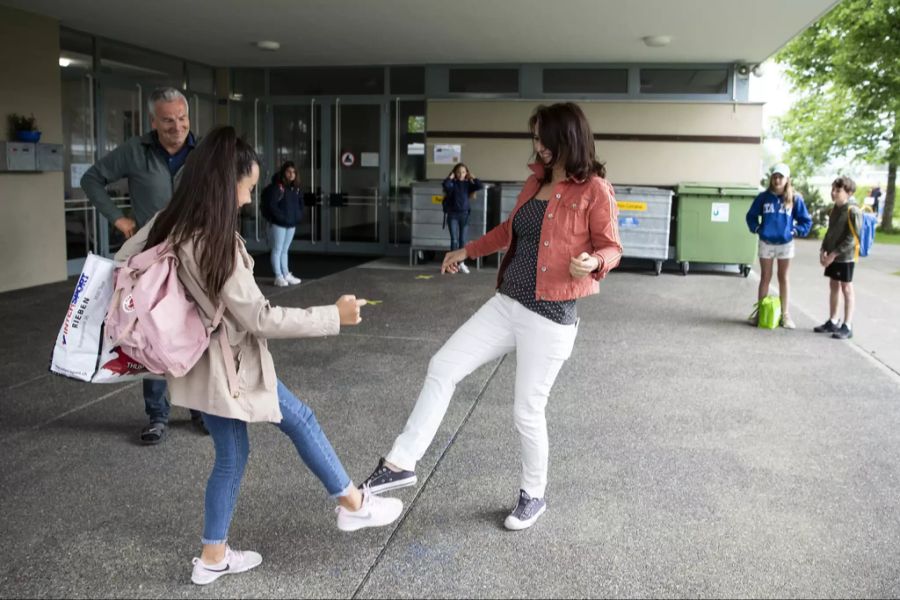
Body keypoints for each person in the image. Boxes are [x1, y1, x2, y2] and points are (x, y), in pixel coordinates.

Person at [115, 126, 403, 586]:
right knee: (299, 420)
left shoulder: (169, 221)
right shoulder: (216, 242)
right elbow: (261, 318)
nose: (249, 199)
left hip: (198, 365)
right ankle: (354, 505)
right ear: (224, 182)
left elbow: (125, 260)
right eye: (247, 187)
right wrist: (335, 315)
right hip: (230, 365)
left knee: (233, 455)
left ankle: (213, 556)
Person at [361, 103, 623, 531]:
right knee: (442, 366)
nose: (537, 147)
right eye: (534, 138)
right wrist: (466, 250)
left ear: (566, 138)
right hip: (507, 303)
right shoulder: (535, 181)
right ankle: (400, 463)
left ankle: (533, 496)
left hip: (551, 314)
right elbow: (509, 231)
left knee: (526, 411)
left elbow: (612, 245)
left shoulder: (594, 189)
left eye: (543, 138)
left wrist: (594, 261)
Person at [81, 86, 204, 444]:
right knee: (150, 334)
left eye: (182, 118)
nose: (177, 126)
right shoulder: (135, 152)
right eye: (168, 120)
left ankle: (199, 406)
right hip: (150, 259)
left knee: (196, 331)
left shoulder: (202, 153)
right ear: (153, 121)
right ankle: (157, 415)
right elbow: (91, 179)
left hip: (194, 257)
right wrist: (118, 220)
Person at [745, 163, 812, 329]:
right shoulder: (763, 197)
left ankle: (785, 315)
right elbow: (751, 216)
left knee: (783, 277)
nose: (777, 179)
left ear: (787, 179)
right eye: (775, 176)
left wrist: (795, 231)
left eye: (780, 177)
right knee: (765, 277)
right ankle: (761, 312)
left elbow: (806, 221)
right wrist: (758, 229)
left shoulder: (794, 198)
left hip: (785, 244)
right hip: (766, 242)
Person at [814, 176, 862, 340]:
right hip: (832, 256)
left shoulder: (852, 210)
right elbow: (830, 232)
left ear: (848, 192)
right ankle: (833, 320)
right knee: (833, 285)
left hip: (845, 257)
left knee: (846, 288)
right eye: (833, 189)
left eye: (838, 190)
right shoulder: (835, 209)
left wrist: (834, 254)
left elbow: (853, 238)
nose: (833, 193)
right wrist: (823, 250)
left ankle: (847, 325)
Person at [262, 161, 305, 287]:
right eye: (289, 171)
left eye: (294, 172)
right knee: (277, 250)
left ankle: (286, 274)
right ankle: (278, 276)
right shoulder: (278, 187)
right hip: (279, 224)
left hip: (291, 224)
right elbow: (272, 206)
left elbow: (301, 204)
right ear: (284, 173)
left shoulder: (296, 189)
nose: (291, 174)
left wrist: (298, 216)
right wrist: (282, 218)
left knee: (285, 250)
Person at [442, 163, 484, 274]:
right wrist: (450, 177)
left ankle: (461, 263)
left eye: (464, 172)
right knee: (454, 240)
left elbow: (480, 186)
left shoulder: (467, 184)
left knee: (462, 240)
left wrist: (472, 177)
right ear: (455, 173)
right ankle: (452, 264)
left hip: (464, 215)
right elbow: (446, 185)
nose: (461, 174)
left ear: (467, 173)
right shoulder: (452, 184)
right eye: (459, 172)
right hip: (453, 215)